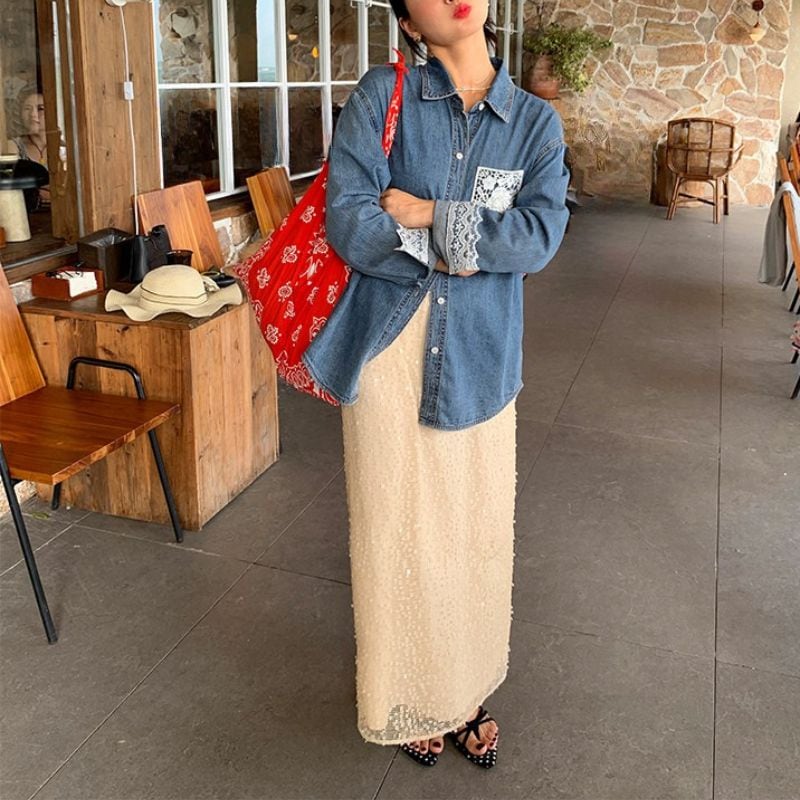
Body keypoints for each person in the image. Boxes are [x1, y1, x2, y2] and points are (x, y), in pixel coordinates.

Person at [302, 0, 569, 769]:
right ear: (411, 24)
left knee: (470, 534)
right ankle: (406, 693)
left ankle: (460, 691)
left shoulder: (534, 125)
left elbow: (538, 236)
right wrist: (467, 245)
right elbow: (351, 224)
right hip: (390, 354)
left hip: (481, 357)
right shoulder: (380, 97)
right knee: (394, 532)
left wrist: (428, 214)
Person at [11, 89, 50, 210]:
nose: (33, 114)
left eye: (40, 109)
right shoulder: (13, 146)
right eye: (27, 109)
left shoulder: (65, 147)